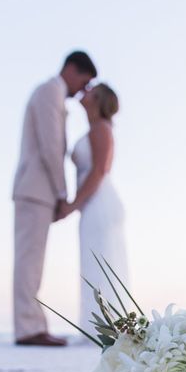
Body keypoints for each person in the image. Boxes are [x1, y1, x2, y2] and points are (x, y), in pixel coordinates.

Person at [12, 51, 97, 346]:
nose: (82, 90)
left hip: (37, 190)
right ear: (73, 69)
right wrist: (62, 194)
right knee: (28, 260)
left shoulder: (53, 94)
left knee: (32, 260)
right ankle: (28, 328)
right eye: (84, 82)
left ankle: (30, 324)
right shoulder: (50, 91)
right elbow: (51, 148)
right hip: (36, 189)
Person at [58, 84, 129, 338]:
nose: (85, 91)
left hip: (100, 204)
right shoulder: (95, 129)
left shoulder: (101, 129)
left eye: (91, 90)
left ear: (98, 99)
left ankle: (105, 328)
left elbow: (99, 172)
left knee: (101, 262)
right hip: (94, 204)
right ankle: (99, 326)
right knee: (94, 263)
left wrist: (71, 205)